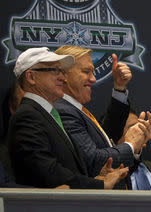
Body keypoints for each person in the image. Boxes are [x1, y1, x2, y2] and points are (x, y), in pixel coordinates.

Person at [8, 47, 128, 188]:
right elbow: (48, 171)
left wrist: (97, 176)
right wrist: (98, 184)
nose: (62, 78)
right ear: (31, 77)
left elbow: (65, 168)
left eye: (62, 71)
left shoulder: (47, 114)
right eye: (54, 71)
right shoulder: (27, 116)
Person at [53, 45, 151, 183]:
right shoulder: (63, 111)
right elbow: (94, 161)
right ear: (64, 74)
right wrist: (130, 145)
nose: (93, 79)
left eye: (93, 72)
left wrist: (119, 88)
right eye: (86, 71)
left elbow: (107, 141)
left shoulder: (76, 110)